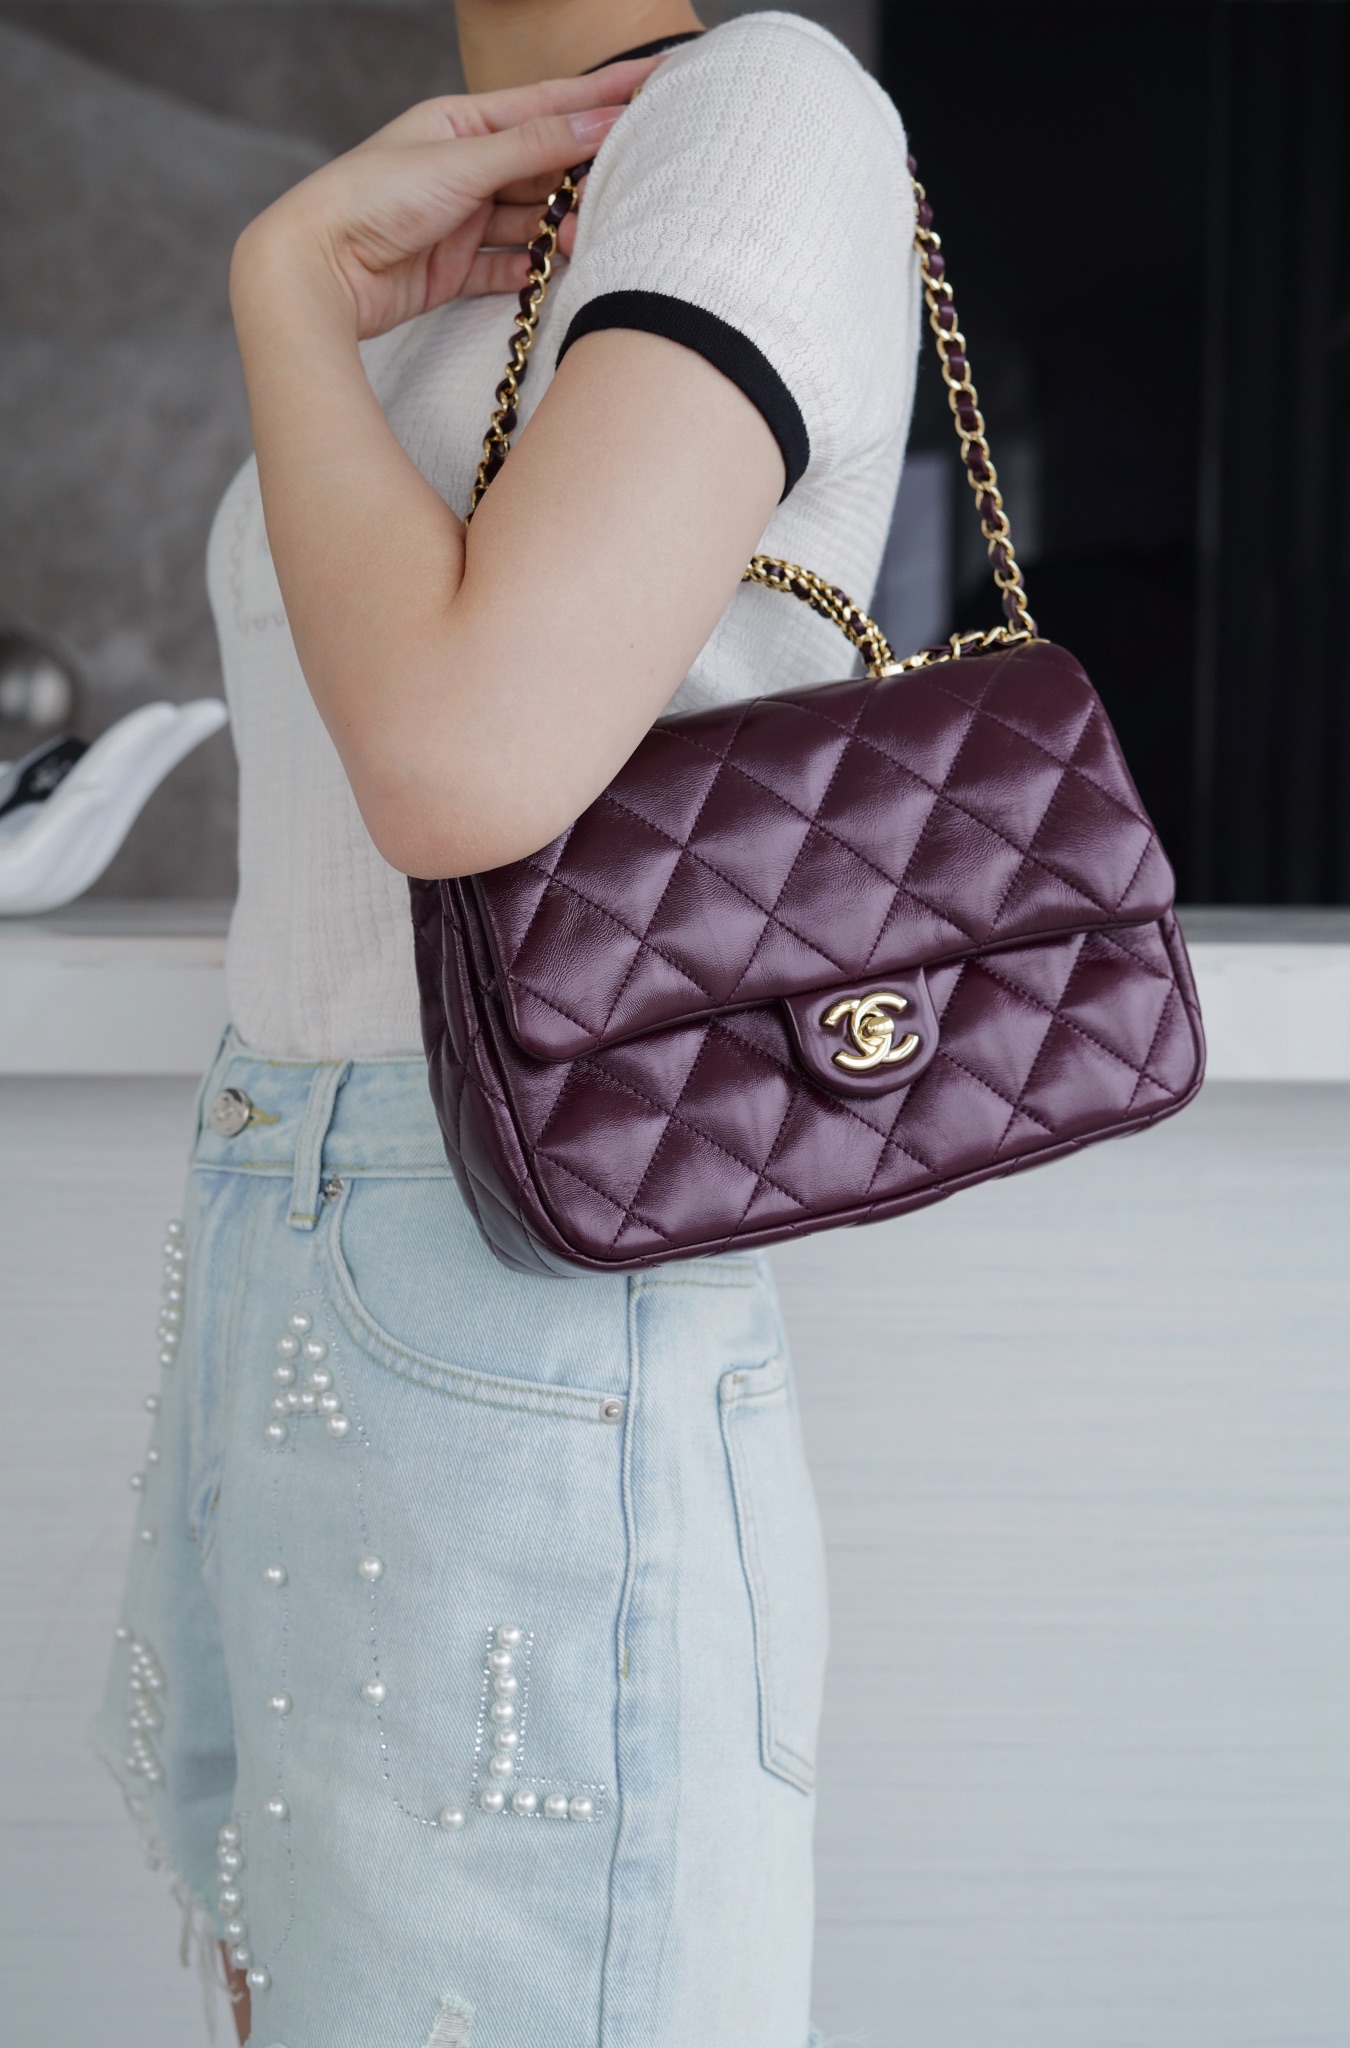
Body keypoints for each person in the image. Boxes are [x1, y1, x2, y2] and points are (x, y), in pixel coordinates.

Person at [95, 5, 918, 2043]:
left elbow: (459, 760)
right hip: (300, 1271)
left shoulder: (760, 115)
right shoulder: (501, 196)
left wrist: (285, 296)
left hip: (518, 1305)